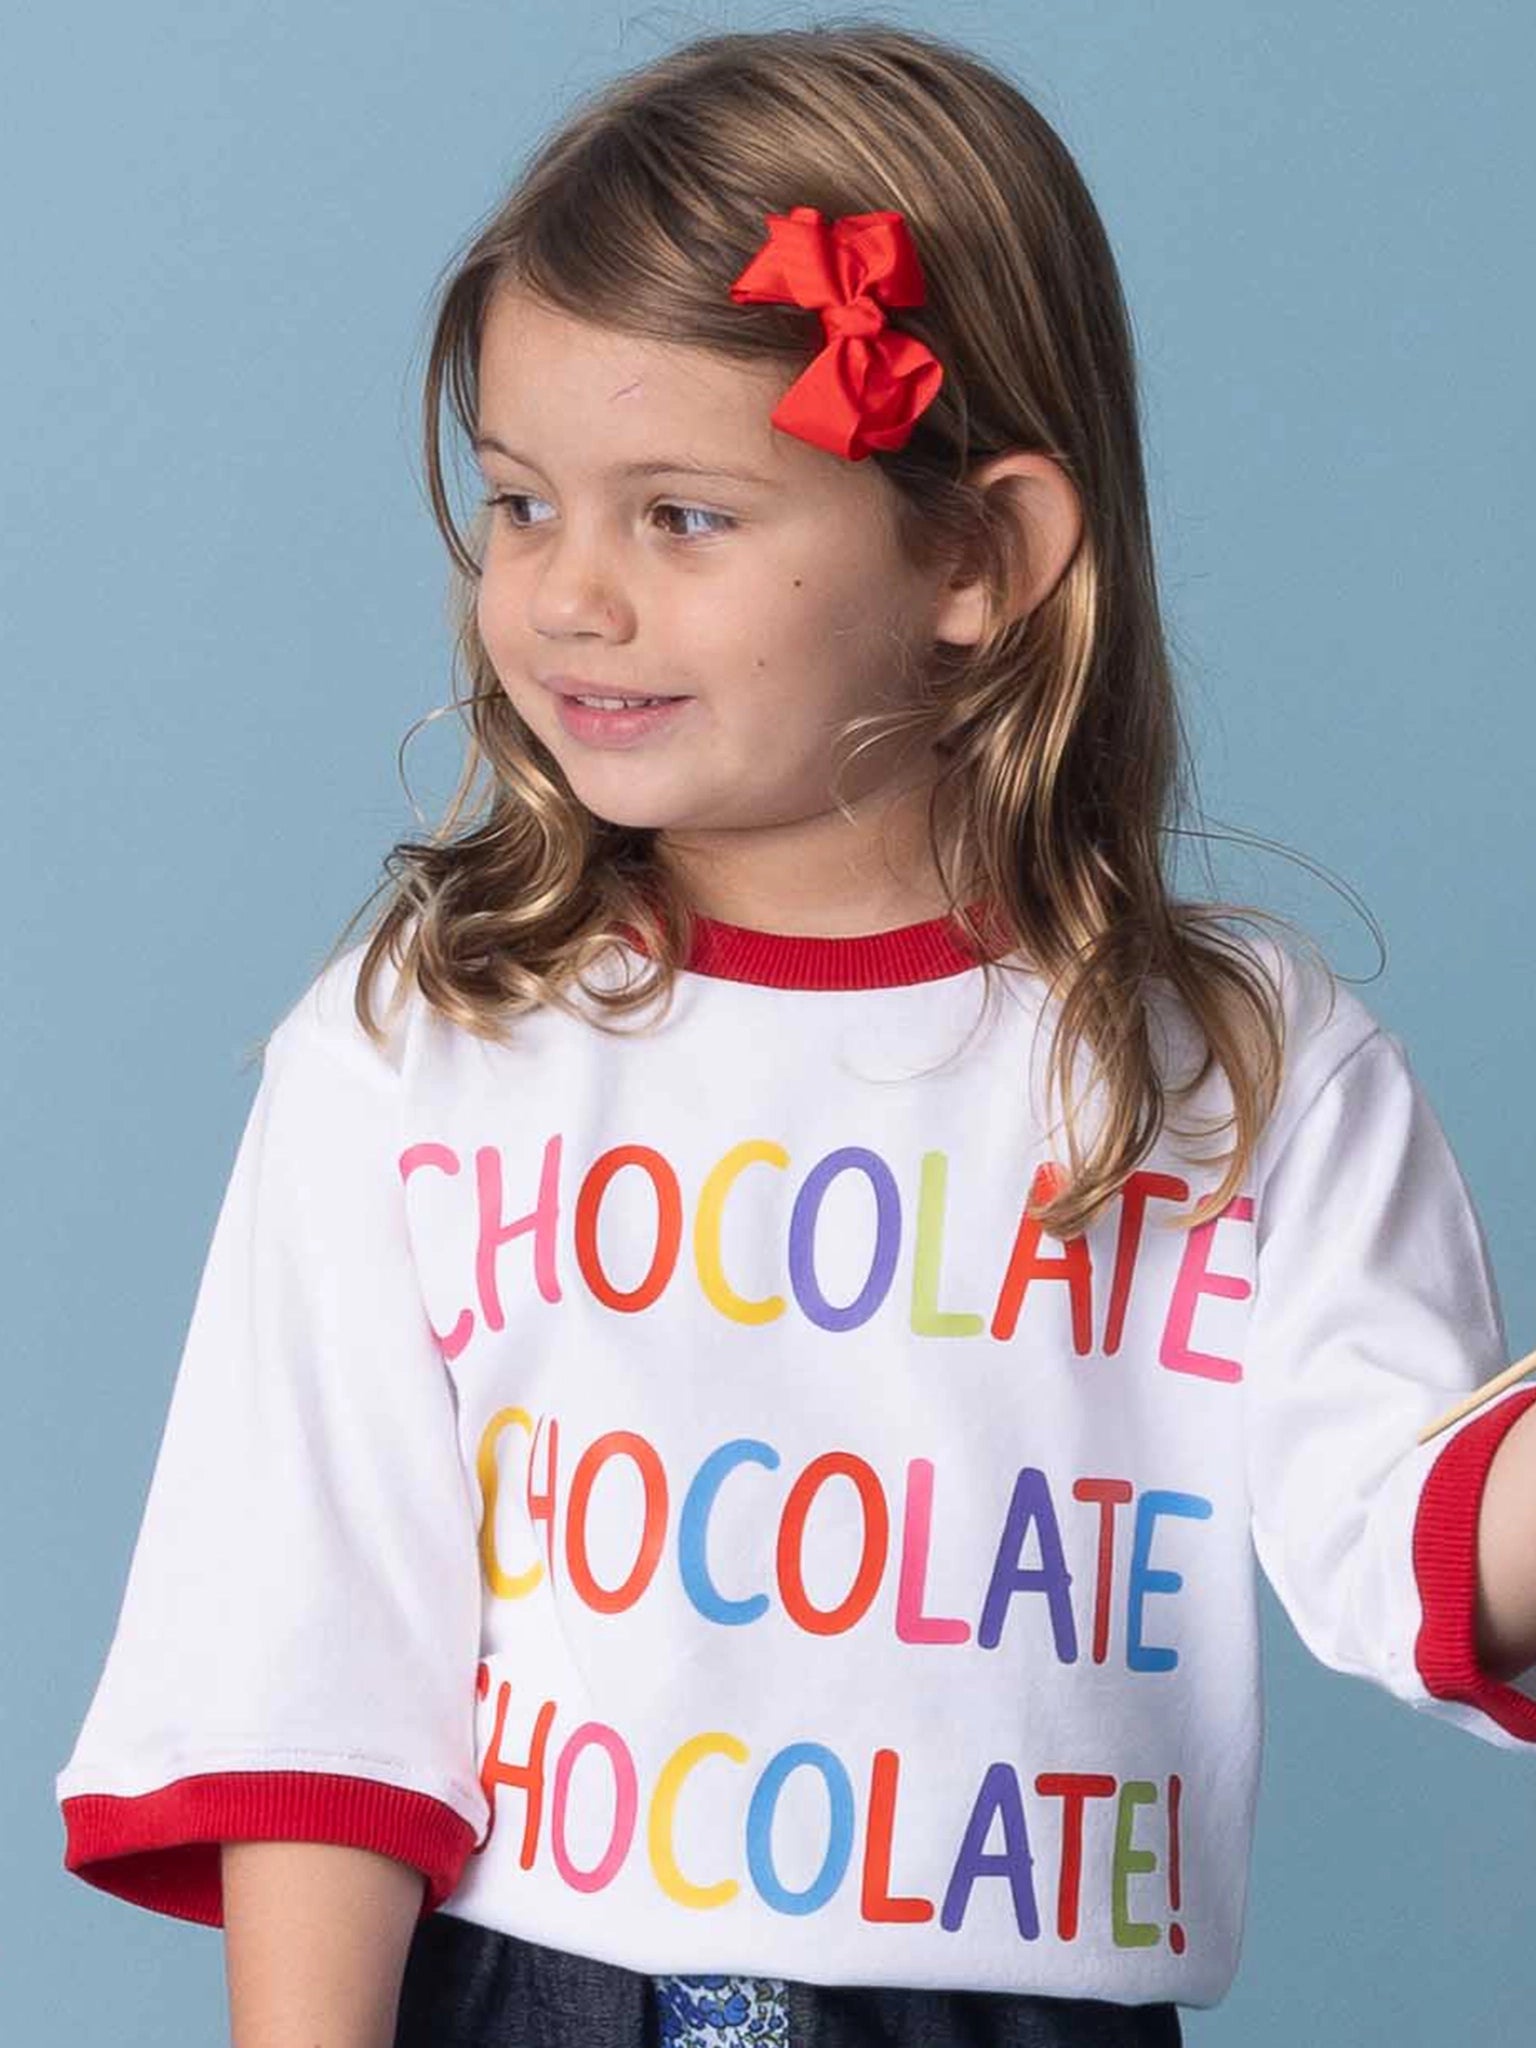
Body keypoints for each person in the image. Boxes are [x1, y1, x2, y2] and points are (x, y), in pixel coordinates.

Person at [54, 20, 1536, 2048]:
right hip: (530, 2003)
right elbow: (318, 1663)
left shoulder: (1233, 1064)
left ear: (978, 556)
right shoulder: (420, 1048)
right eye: (519, 502)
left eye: (681, 515)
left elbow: (1417, 1526)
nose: (568, 597)